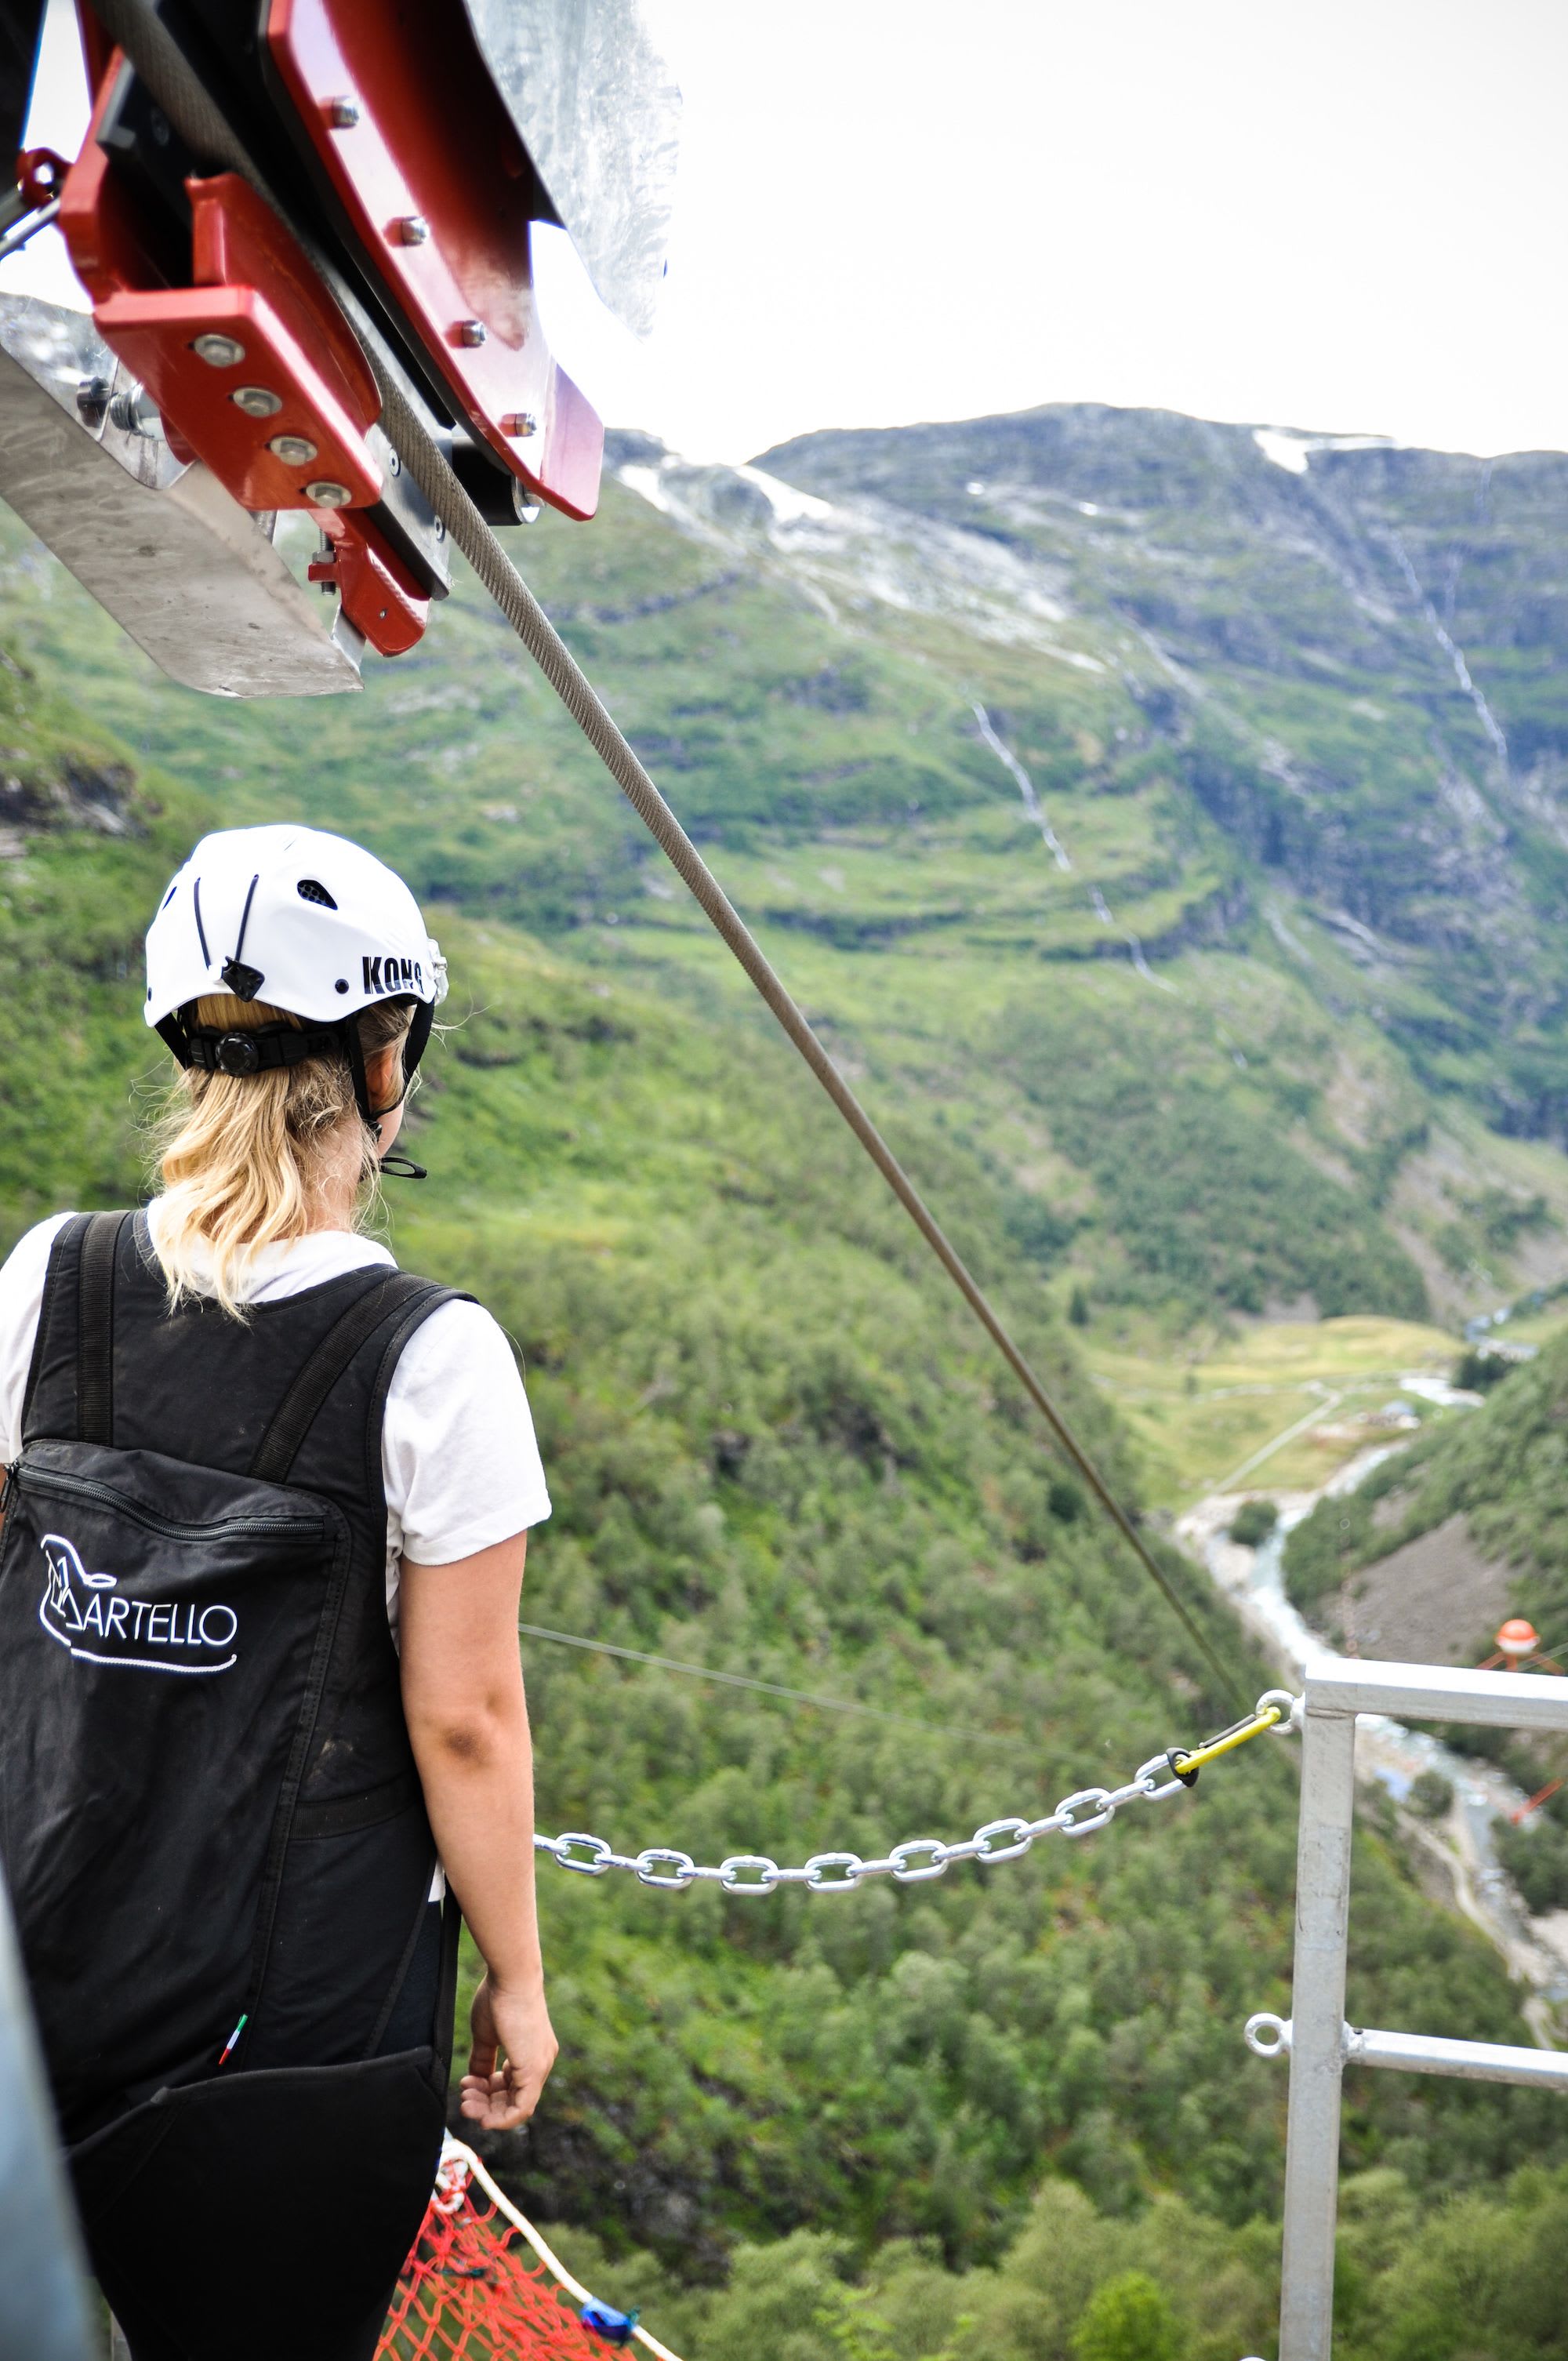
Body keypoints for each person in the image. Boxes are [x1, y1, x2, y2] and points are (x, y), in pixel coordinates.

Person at [0, 824, 558, 2360]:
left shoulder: (53, 1280)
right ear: (383, 1062)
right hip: (288, 2054)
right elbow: (465, 1721)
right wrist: (516, 1981)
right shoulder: (432, 1358)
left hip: (37, 1983)